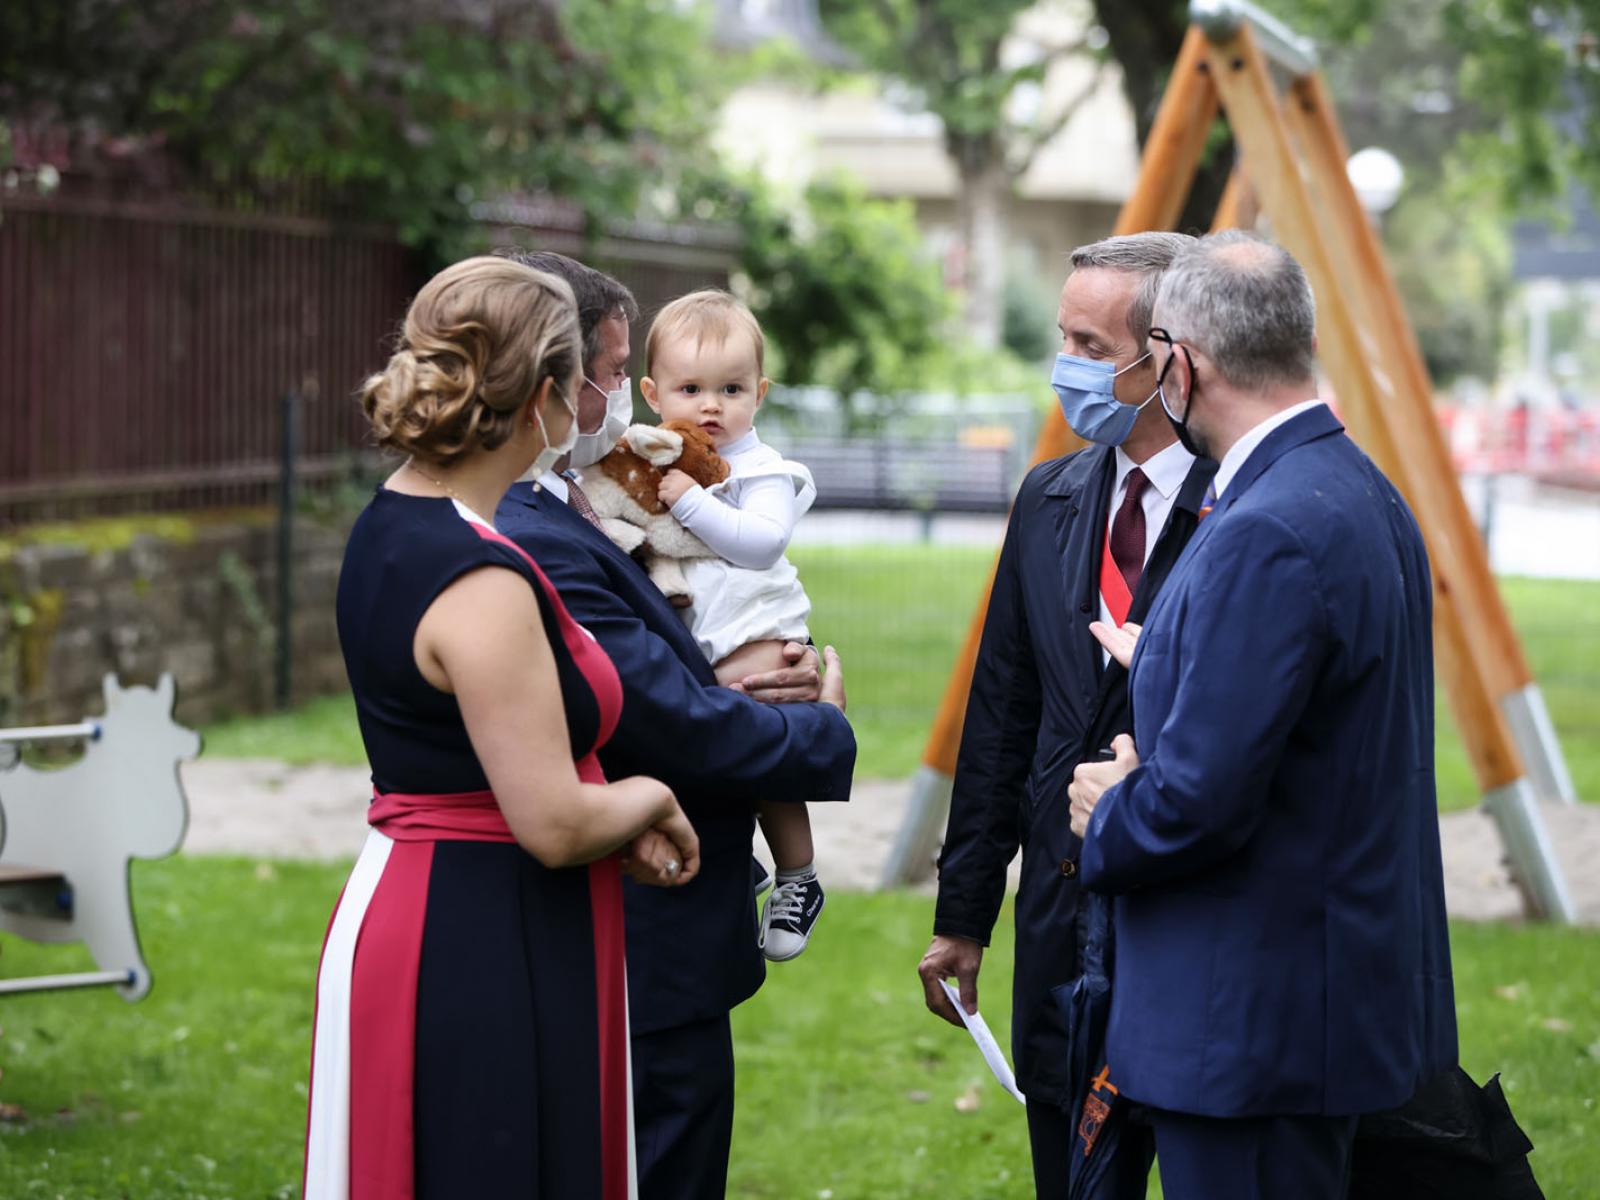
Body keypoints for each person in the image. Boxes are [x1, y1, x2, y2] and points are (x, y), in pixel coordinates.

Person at [1068, 231, 1457, 1200]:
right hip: (1314, 1014)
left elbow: (1196, 802)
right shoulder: (1355, 489)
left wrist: (1105, 810)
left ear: (1183, 364)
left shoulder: (1269, 530)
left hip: (1251, 1036)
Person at [303, 256, 701, 1199]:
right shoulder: (479, 577)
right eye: (584, 385)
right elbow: (553, 821)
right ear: (545, 403)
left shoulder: (394, 523)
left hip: (467, 909)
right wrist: (650, 795)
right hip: (473, 937)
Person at [492, 252, 856, 1200]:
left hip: (677, 927)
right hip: (642, 929)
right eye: (616, 373)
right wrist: (820, 729)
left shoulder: (591, 495)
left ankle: (793, 874)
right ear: (554, 381)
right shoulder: (536, 527)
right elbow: (667, 717)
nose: (626, 398)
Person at [916, 232, 1213, 1198]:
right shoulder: (1048, 496)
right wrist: (965, 914)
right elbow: (1000, 713)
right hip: (1056, 914)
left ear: (1167, 355)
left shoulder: (1245, 505)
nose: (1066, 370)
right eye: (1064, 340)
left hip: (1193, 919)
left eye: (1092, 347)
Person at [642, 289, 828, 961]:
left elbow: (761, 543)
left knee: (769, 766)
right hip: (702, 647)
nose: (711, 405)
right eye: (690, 388)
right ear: (652, 393)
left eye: (731, 388)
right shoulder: (649, 466)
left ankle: (798, 875)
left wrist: (691, 502)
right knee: (703, 754)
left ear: (761, 392)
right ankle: (731, 855)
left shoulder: (763, 470)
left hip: (760, 644)